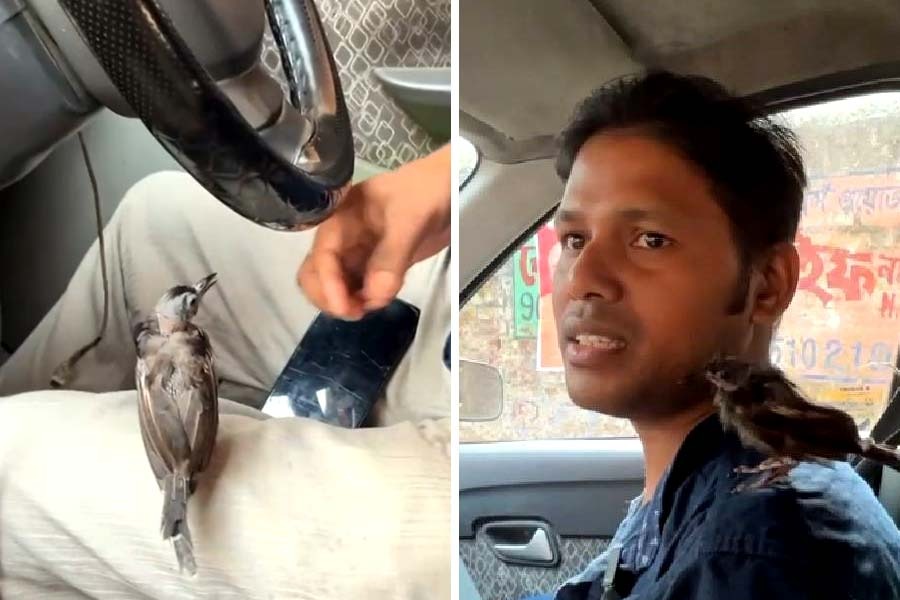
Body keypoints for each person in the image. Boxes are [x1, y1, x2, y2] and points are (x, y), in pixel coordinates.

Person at [0, 146, 452, 598]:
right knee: (155, 220)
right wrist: (444, 178)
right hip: (463, 277)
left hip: (450, 488)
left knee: (9, 466)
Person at [541, 71, 900, 599]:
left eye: (650, 239)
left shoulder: (757, 553)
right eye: (574, 239)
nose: (583, 279)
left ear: (766, 286)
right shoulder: (701, 490)